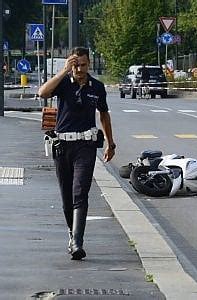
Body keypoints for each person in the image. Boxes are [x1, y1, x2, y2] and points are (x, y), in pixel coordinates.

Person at [38, 47, 116, 260]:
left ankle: (77, 242)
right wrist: (63, 71)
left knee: (80, 192)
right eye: (75, 65)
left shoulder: (97, 87)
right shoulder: (63, 84)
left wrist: (111, 143)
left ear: (89, 64)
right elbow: (43, 93)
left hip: (86, 146)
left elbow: (104, 115)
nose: (79, 69)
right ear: (70, 65)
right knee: (66, 198)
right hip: (63, 146)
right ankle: (72, 233)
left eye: (82, 65)